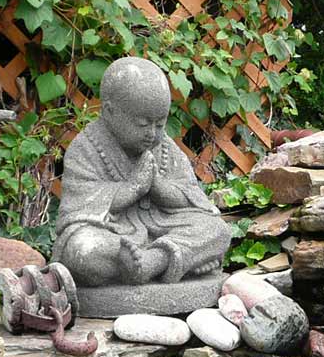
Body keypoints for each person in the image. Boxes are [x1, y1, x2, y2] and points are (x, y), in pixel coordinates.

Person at [52, 58, 229, 287]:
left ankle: (152, 263)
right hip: (112, 235)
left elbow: (190, 198)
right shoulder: (86, 147)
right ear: (110, 112)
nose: (153, 133)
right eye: (143, 124)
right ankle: (154, 263)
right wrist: (133, 188)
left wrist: (157, 186)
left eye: (160, 123)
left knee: (217, 230)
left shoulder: (164, 146)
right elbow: (79, 207)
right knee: (82, 249)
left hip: (164, 228)